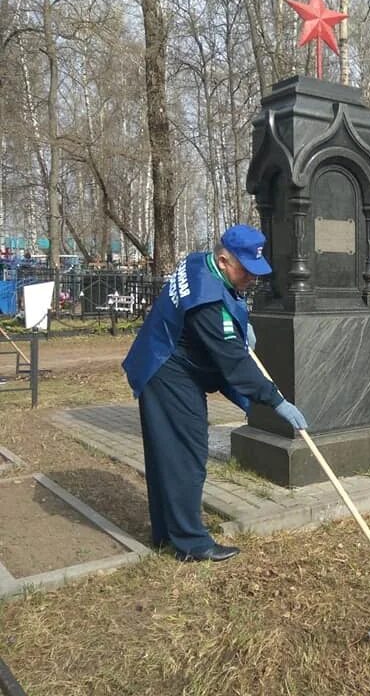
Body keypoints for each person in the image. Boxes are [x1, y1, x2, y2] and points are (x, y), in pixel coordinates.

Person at [122, 224, 307, 562]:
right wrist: (276, 400)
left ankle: (168, 534)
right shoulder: (206, 299)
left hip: (167, 363)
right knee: (186, 457)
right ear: (223, 260)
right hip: (168, 371)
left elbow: (227, 306)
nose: (251, 279)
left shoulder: (198, 262)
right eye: (245, 271)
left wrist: (239, 323)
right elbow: (233, 362)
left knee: (168, 455)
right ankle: (191, 543)